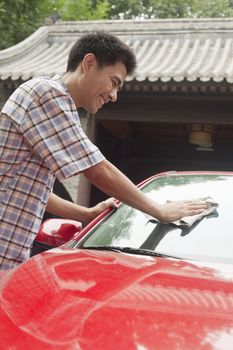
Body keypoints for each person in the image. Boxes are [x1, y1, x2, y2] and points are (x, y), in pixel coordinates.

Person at [0, 31, 207, 270]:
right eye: (114, 82)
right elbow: (98, 169)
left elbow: (34, 192)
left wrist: (85, 215)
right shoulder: (48, 94)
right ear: (89, 63)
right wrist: (159, 210)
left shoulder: (51, 100)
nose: (114, 95)